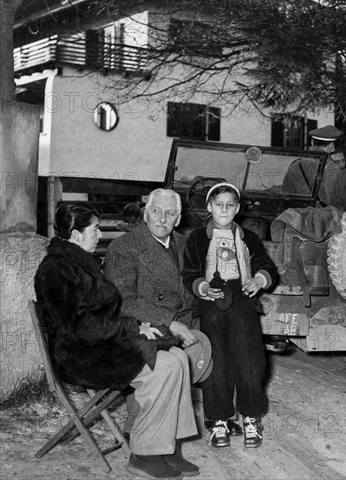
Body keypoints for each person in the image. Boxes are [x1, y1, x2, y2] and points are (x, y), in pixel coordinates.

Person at [34, 204, 198, 480]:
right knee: (165, 366)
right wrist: (131, 329)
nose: (99, 234)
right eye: (94, 229)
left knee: (179, 358)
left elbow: (102, 314)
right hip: (78, 356)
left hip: (100, 344)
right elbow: (79, 328)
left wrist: (139, 326)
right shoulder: (56, 271)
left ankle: (167, 447)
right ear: (75, 235)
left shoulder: (79, 262)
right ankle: (144, 454)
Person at [104, 188, 243, 436]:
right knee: (164, 353)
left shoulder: (187, 242)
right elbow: (123, 301)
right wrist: (169, 321)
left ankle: (219, 415)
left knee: (226, 335)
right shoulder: (123, 247)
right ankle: (139, 426)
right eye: (156, 211)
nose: (162, 219)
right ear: (146, 214)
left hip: (189, 318)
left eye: (170, 214)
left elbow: (203, 282)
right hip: (144, 326)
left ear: (178, 219)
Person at [182, 183, 278, 449]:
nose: (224, 209)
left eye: (229, 205)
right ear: (210, 207)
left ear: (237, 209)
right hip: (211, 303)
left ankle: (250, 417)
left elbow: (265, 264)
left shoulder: (249, 237)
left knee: (249, 361)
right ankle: (218, 420)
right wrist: (202, 286)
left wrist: (259, 279)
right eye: (218, 204)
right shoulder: (197, 238)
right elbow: (189, 272)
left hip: (243, 302)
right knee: (215, 363)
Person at [282, 124, 341, 206]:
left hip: (296, 216)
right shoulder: (331, 168)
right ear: (331, 146)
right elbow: (333, 202)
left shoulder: (296, 165)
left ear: (312, 142)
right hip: (318, 217)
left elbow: (285, 194)